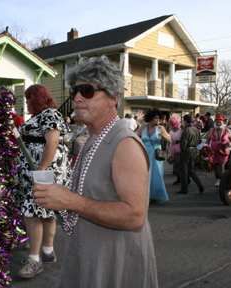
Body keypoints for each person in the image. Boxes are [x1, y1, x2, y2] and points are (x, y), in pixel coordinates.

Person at [32, 56, 158, 287]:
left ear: (113, 98)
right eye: (75, 91)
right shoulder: (93, 138)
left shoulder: (124, 144)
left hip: (114, 265)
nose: (77, 97)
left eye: (87, 91)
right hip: (87, 258)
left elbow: (135, 216)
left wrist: (69, 200)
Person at [14, 84, 70, 279]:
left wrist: (41, 170)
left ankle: (34, 260)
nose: (27, 103)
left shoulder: (50, 115)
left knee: (33, 212)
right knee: (45, 212)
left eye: (29, 99)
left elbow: (53, 141)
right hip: (38, 169)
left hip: (41, 170)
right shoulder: (43, 116)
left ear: (37, 98)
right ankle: (47, 252)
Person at [137, 108, 171, 203]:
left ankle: (156, 195)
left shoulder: (160, 128)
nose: (157, 120)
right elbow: (136, 137)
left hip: (156, 156)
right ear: (151, 118)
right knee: (146, 175)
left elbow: (169, 139)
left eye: (158, 118)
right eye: (156, 118)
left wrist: (164, 136)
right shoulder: (143, 128)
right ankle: (147, 196)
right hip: (145, 155)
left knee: (156, 175)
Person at [176, 114, 204, 195]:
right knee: (191, 170)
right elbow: (199, 141)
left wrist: (182, 149)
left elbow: (184, 142)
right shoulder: (195, 129)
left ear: (185, 121)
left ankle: (184, 189)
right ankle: (200, 186)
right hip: (193, 150)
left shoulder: (186, 130)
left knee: (183, 170)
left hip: (186, 151)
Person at [205, 114, 231, 187]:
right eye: (217, 122)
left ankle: (223, 180)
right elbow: (208, 140)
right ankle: (218, 179)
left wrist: (230, 144)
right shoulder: (212, 130)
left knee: (222, 165)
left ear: (223, 122)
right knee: (216, 166)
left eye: (220, 122)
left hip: (223, 151)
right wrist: (206, 147)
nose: (218, 123)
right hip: (214, 151)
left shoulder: (227, 130)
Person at [168, 116, 182, 185]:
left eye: (173, 123)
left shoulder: (180, 129)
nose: (172, 124)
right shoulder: (170, 130)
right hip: (174, 147)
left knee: (181, 164)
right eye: (171, 123)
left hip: (181, 147)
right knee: (176, 164)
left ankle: (184, 178)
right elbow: (170, 140)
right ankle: (178, 178)